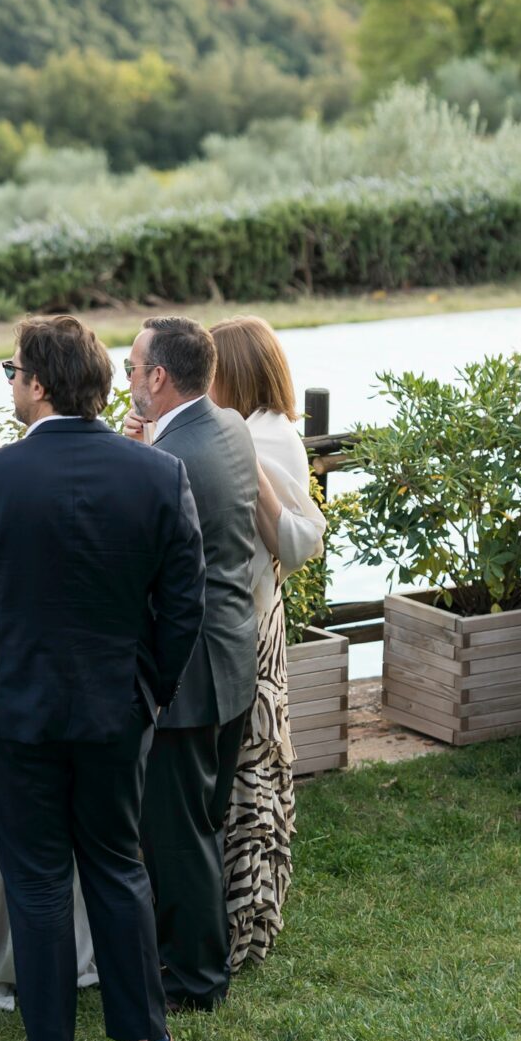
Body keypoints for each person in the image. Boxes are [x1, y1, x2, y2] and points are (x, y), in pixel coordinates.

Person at [0, 313, 207, 1041]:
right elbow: (185, 604)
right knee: (117, 863)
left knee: (38, 874)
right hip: (116, 700)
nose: (10, 385)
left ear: (39, 384)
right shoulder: (157, 473)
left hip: (13, 702)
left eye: (12, 372)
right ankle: (147, 1039)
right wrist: (150, 687)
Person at [125, 314, 258, 1013]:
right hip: (231, 655)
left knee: (177, 839)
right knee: (200, 825)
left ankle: (194, 982)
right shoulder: (229, 426)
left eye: (130, 367)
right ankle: (199, 961)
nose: (124, 380)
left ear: (158, 377)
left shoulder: (166, 463)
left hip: (185, 672)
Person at [209, 316, 326, 969]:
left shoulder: (263, 439)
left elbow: (281, 538)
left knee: (251, 771)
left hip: (248, 621)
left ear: (233, 370)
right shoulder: (257, 431)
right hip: (255, 614)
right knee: (250, 765)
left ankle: (247, 917)